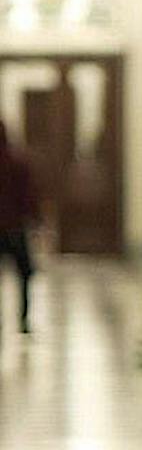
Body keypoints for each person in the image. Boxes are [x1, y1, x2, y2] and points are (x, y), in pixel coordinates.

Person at [0, 121, 40, 336]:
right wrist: (35, 220)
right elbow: (28, 196)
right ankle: (23, 319)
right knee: (24, 275)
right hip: (15, 229)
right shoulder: (17, 162)